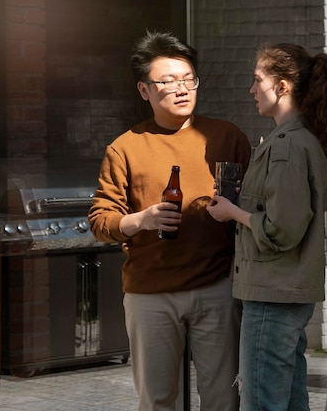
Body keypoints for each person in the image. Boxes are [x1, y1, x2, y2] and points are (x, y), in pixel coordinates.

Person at [88, 30, 251, 411]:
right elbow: (100, 220)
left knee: (225, 397)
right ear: (145, 91)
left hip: (216, 287)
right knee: (159, 399)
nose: (182, 89)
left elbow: (253, 207)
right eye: (168, 82)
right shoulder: (125, 147)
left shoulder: (226, 136)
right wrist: (141, 219)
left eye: (188, 79)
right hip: (150, 294)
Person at [206, 43, 327, 411]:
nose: (252, 89)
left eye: (258, 80)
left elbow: (281, 230)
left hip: (272, 294)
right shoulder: (297, 141)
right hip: (283, 292)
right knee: (288, 400)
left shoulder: (286, 146)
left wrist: (231, 212)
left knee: (262, 401)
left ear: (283, 86)